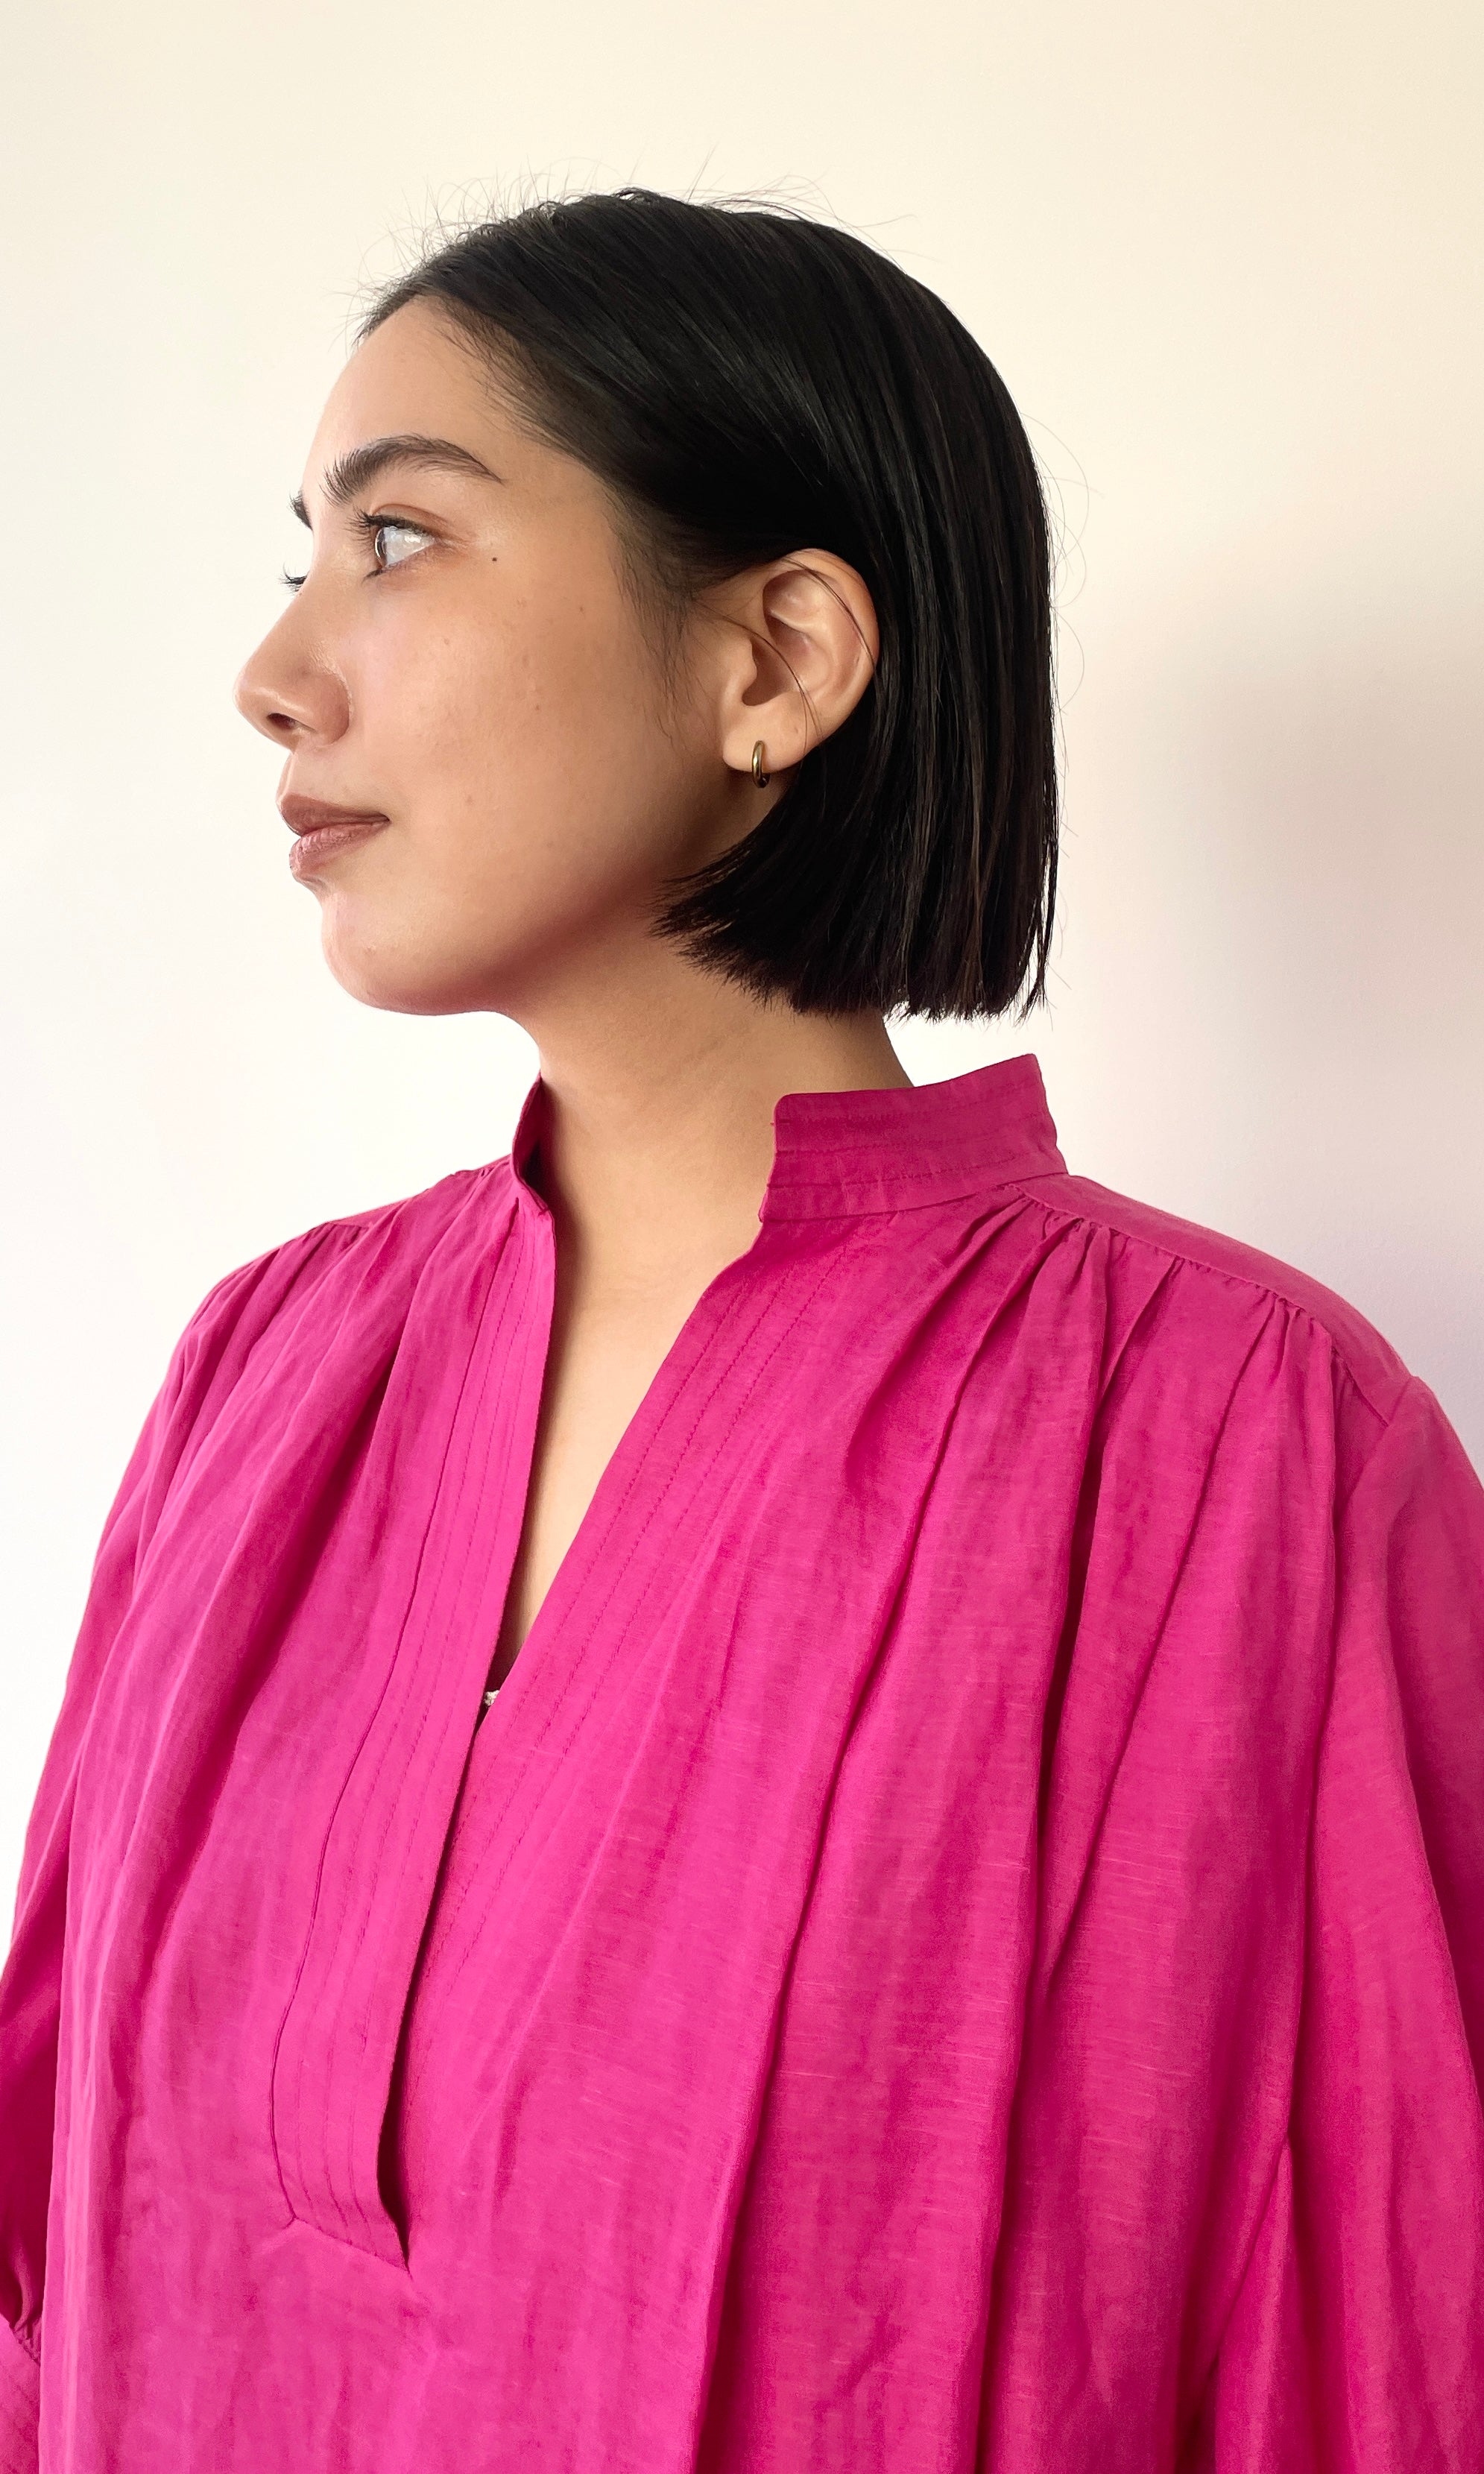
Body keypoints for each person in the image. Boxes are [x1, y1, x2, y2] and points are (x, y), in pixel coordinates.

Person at [1, 189, 1480, 2474]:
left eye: (398, 541)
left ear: (776, 658)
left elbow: (1395, 2336)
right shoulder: (260, 1380)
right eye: (301, 554)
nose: (277, 671)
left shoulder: (1247, 1450)